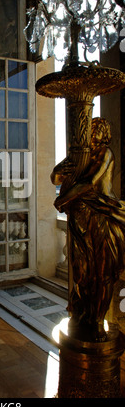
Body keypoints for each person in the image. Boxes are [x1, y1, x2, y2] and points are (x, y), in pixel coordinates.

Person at [51, 118, 125, 341]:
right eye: (90, 131)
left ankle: (95, 321)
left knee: (101, 275)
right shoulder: (80, 155)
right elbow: (56, 178)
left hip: (101, 218)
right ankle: (82, 314)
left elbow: (91, 182)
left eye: (97, 131)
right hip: (80, 220)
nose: (93, 136)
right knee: (81, 271)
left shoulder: (106, 154)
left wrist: (62, 199)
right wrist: (57, 170)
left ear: (105, 135)